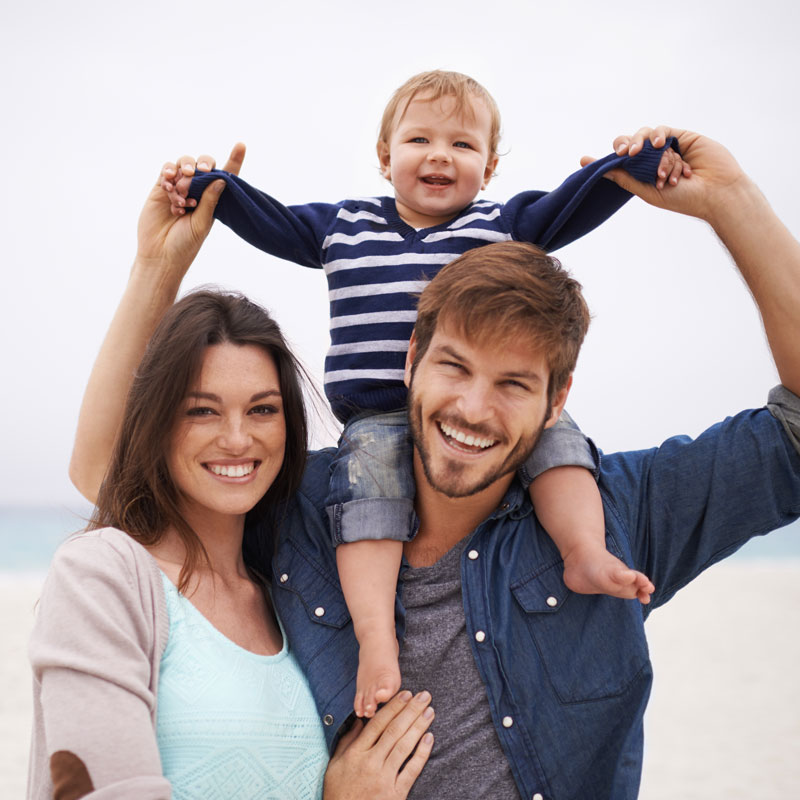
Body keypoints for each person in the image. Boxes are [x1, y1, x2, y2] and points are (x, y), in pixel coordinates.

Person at [78, 126, 800, 797]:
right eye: (454, 367)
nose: (474, 410)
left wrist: (730, 201)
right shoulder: (304, 509)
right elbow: (113, 472)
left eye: (514, 383)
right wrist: (156, 266)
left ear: (558, 400)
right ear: (413, 358)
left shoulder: (620, 511)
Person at [163, 69, 688, 716]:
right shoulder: (341, 226)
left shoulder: (503, 223)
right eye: (419, 140)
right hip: (379, 416)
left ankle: (583, 552)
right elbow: (268, 220)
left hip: (488, 407)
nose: (440, 154)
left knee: (559, 440)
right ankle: (378, 639)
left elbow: (577, 199)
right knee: (367, 498)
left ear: (489, 167)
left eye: (463, 146)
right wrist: (210, 188)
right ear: (385, 158)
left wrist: (636, 162)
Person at [28, 175, 435, 799]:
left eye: (264, 410)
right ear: (158, 422)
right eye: (201, 410)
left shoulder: (290, 584)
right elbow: (98, 467)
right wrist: (156, 268)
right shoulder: (107, 575)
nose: (238, 440)